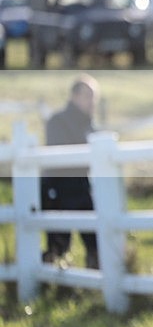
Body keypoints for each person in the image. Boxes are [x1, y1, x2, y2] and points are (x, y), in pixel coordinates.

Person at [40, 74, 100, 269]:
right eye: (88, 96)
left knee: (96, 242)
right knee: (58, 246)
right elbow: (58, 157)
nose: (92, 102)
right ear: (74, 96)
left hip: (82, 190)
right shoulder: (57, 121)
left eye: (94, 97)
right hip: (59, 191)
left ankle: (95, 280)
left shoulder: (89, 125)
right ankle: (48, 279)